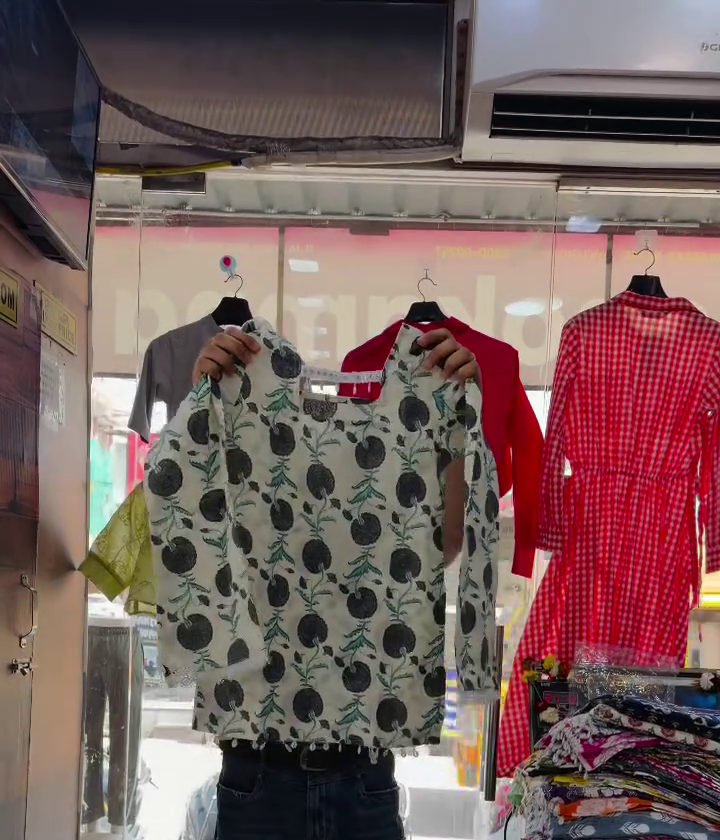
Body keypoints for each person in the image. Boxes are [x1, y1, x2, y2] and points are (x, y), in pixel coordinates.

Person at [191, 326, 482, 840]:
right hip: (255, 767)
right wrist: (202, 402)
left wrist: (458, 418)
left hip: (364, 774)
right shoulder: (235, 391)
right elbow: (192, 520)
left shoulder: (426, 395)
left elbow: (449, 541)